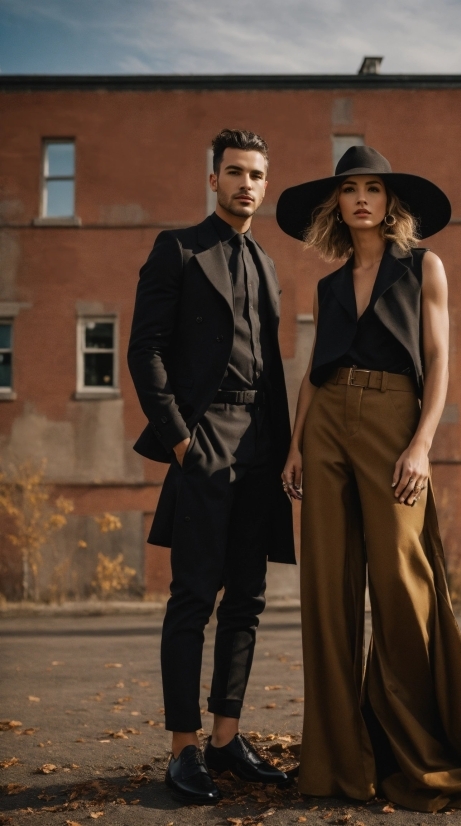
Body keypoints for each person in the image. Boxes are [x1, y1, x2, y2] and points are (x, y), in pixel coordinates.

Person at [276, 145, 461, 813]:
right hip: (325, 422)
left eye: (374, 189)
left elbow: (439, 358)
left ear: (391, 203)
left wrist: (422, 444)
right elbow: (314, 370)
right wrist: (295, 445)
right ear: (338, 204)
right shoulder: (329, 285)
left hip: (393, 423)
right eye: (350, 189)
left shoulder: (423, 267)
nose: (362, 198)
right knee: (325, 593)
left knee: (400, 583)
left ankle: (417, 745)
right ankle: (334, 765)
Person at [128, 129, 295, 805]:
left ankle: (227, 739)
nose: (246, 184)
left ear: (265, 182)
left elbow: (274, 367)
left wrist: (286, 448)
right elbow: (145, 350)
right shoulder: (177, 248)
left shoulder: (267, 261)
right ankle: (182, 749)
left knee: (248, 599)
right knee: (193, 597)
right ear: (213, 180)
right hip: (205, 437)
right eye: (234, 172)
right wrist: (179, 440)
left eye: (256, 174)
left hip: (260, 442)